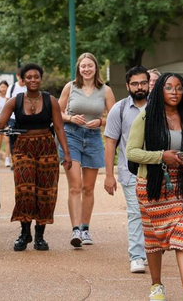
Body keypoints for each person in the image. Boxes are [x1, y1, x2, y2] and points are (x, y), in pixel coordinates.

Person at [126, 73, 183, 301]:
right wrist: (161, 156)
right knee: (153, 239)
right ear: (160, 90)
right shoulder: (146, 116)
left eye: (179, 88)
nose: (174, 92)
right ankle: (156, 285)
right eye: (169, 87)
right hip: (152, 185)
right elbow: (131, 152)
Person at [0, 63, 72, 251]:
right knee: (24, 190)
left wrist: (66, 153)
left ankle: (40, 236)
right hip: (23, 147)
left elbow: (59, 127)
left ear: (41, 78)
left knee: (45, 191)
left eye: (36, 77)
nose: (33, 80)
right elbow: (0, 122)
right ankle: (24, 233)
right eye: (29, 77)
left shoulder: (50, 100)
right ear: (22, 80)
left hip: (46, 147)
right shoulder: (15, 101)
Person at [58, 53, 115, 248]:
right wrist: (71, 118)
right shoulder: (70, 87)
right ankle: (75, 230)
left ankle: (85, 228)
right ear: (78, 69)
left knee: (88, 188)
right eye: (83, 66)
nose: (87, 69)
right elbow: (57, 113)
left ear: (96, 68)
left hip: (92, 138)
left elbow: (115, 118)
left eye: (90, 66)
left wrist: (100, 122)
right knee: (75, 185)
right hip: (71, 136)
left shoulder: (105, 90)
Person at [103, 66, 150, 273]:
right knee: (135, 213)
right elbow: (111, 143)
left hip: (157, 169)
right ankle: (137, 256)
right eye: (135, 83)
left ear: (149, 84)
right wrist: (109, 175)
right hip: (130, 171)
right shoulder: (119, 109)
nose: (139, 87)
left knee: (152, 212)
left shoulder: (159, 107)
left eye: (143, 83)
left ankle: (151, 250)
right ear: (127, 86)